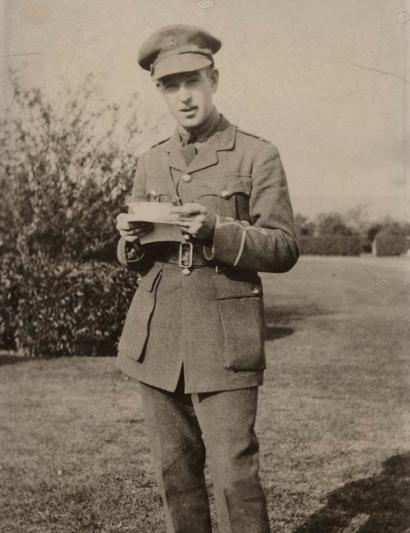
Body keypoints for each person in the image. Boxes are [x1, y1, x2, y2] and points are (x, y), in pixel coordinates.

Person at [115, 24, 299, 533]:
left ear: (213, 79)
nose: (184, 96)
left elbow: (284, 246)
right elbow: (136, 258)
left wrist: (217, 230)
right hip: (158, 337)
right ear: (161, 93)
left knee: (235, 476)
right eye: (170, 87)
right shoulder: (150, 160)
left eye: (191, 81)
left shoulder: (256, 154)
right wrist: (129, 239)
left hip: (224, 337)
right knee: (175, 475)